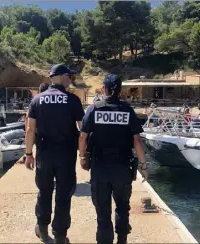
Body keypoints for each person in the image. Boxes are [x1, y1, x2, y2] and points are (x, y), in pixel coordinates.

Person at [78, 74, 148, 244]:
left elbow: (83, 136)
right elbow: (137, 140)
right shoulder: (127, 110)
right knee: (123, 207)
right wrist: (144, 165)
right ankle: (122, 240)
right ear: (119, 89)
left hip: (100, 166)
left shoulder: (95, 109)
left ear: (105, 89)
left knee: (102, 211)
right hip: (122, 167)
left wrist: (82, 156)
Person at [24, 64, 84, 244]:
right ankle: (60, 235)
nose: (70, 80)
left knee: (44, 190)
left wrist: (28, 154)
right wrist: (84, 154)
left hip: (44, 154)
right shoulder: (72, 100)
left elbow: (29, 130)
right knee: (64, 194)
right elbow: (82, 131)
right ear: (63, 77)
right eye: (69, 77)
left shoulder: (37, 100)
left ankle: (42, 230)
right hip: (66, 155)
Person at [17, 82, 50, 164]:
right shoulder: (53, 104)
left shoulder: (35, 102)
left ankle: (27, 157)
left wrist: (28, 153)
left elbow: (27, 121)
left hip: (38, 136)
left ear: (39, 91)